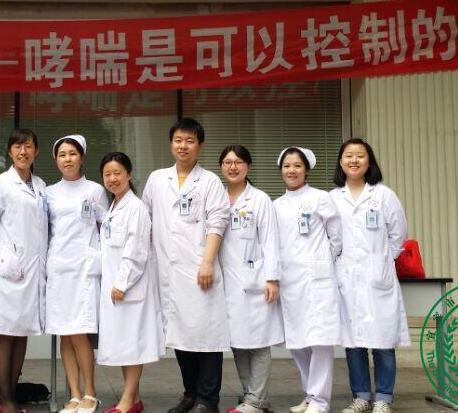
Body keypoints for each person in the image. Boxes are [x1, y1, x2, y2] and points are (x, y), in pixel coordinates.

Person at [142, 118, 230, 413]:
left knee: (206, 335)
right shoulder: (157, 179)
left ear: (200, 146)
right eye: (178, 140)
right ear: (171, 144)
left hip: (199, 268)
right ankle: (190, 393)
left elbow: (218, 222)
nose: (183, 146)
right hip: (167, 270)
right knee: (180, 333)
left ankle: (208, 400)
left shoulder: (209, 181)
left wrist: (208, 261)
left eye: (190, 141)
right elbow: (146, 220)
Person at [330, 139, 409, 413]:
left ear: (369, 161)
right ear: (341, 162)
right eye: (348, 156)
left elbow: (398, 234)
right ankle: (361, 396)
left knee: (383, 341)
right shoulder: (333, 198)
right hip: (347, 277)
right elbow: (330, 238)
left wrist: (381, 261)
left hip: (378, 275)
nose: (354, 160)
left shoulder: (384, 195)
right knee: (353, 342)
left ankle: (384, 398)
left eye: (360, 156)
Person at [0, 128, 50, 413]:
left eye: (28, 146)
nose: (23, 152)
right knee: (6, 332)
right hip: (7, 271)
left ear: (36, 151)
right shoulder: (0, 184)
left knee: (21, 333)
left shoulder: (41, 185)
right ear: (10, 152)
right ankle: (5, 399)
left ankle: (12, 396)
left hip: (32, 271)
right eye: (18, 147)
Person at [272, 147, 342, 413]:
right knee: (298, 341)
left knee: (320, 340)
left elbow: (336, 236)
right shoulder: (276, 205)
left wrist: (320, 262)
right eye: (287, 166)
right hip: (290, 281)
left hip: (317, 279)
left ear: (307, 170)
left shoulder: (320, 198)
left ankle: (320, 401)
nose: (291, 170)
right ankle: (310, 395)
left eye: (297, 166)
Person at [44, 135, 108, 413]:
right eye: (62, 154)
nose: (67, 159)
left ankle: (90, 393)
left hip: (83, 269)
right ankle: (74, 394)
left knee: (79, 332)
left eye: (72, 153)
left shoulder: (95, 190)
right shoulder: (49, 192)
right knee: (64, 334)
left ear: (81, 158)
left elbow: (106, 227)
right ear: (55, 160)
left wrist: (102, 260)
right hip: (58, 269)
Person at [216, 146, 282, 413]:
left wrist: (272, 278)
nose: (233, 167)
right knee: (238, 343)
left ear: (248, 166)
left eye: (239, 162)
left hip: (255, 279)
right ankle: (254, 398)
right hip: (226, 282)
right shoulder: (217, 198)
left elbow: (270, 241)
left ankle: (254, 400)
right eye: (227, 162)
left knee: (258, 342)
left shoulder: (260, 199)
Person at [97, 152, 164, 413]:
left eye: (117, 173)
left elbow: (136, 251)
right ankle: (134, 399)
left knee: (133, 344)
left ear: (129, 174)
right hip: (116, 287)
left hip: (128, 287)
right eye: (107, 174)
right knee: (125, 344)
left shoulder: (136, 208)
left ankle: (126, 401)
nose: (112, 178)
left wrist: (121, 283)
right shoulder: (113, 206)